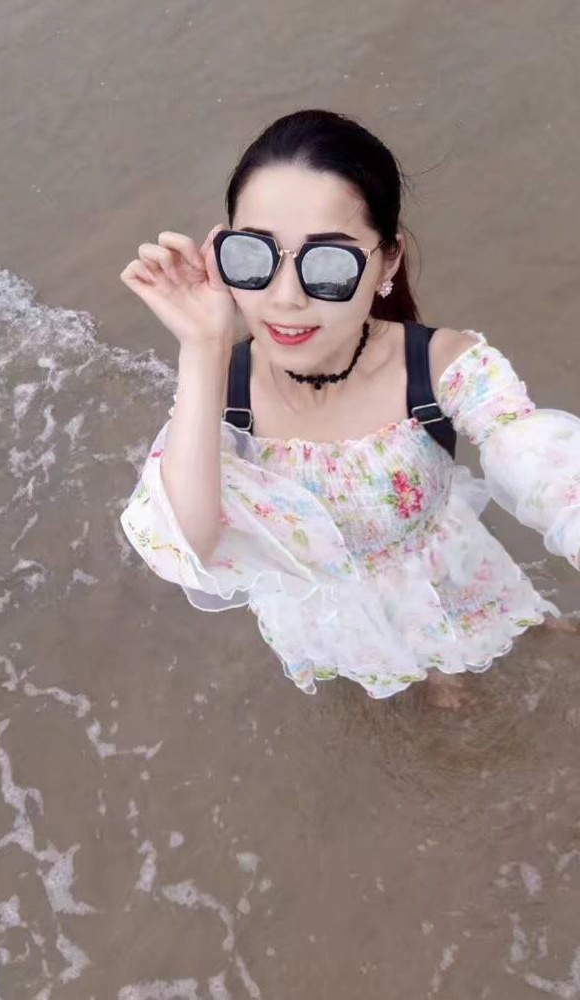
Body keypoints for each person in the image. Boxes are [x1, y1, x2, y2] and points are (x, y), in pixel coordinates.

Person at [119, 109, 580, 710]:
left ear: (387, 261)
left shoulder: (436, 366)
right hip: (334, 612)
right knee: (431, 696)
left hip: (445, 568)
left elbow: (542, 462)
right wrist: (204, 348)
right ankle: (434, 677)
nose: (285, 298)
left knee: (526, 636)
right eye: (254, 255)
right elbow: (186, 547)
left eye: (330, 264)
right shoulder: (223, 395)